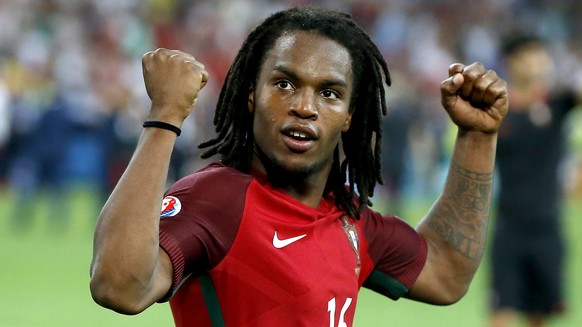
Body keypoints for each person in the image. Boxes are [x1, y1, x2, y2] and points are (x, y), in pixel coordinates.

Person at [90, 6, 508, 326]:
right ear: (251, 94)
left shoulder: (351, 223)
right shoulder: (215, 201)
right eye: (285, 84)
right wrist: (165, 116)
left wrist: (477, 137)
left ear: (349, 115)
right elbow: (119, 286)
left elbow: (447, 272)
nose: (304, 107)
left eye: (328, 93)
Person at [489, 35, 580, 327]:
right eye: (530, 56)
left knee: (539, 317)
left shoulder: (559, 103)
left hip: (547, 229)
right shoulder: (497, 110)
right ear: (511, 62)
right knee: (500, 313)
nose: (539, 63)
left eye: (542, 56)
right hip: (508, 228)